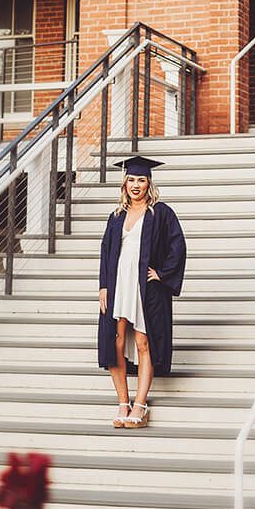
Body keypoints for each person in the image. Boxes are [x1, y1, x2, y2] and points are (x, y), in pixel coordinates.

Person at [97, 154, 188, 427]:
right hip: (118, 285)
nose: (136, 185)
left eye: (141, 180)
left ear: (149, 183)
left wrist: (161, 274)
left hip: (144, 288)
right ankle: (122, 403)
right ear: (124, 184)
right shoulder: (116, 216)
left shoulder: (161, 213)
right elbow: (105, 252)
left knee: (143, 343)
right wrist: (103, 286)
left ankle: (139, 405)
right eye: (131, 180)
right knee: (115, 344)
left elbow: (178, 247)